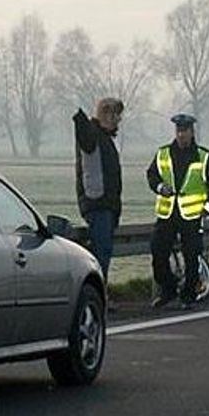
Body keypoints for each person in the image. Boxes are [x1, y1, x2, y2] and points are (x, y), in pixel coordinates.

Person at [146, 113, 209, 308]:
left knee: (191, 256)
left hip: (192, 216)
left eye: (185, 131)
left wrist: (207, 209)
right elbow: (152, 175)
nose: (181, 135)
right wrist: (160, 187)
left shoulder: (204, 157)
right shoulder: (163, 153)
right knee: (158, 251)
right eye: (179, 131)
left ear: (191, 132)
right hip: (167, 214)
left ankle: (189, 295)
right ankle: (168, 289)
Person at [72, 97, 124, 281]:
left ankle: (102, 294)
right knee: (101, 254)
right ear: (106, 114)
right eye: (115, 115)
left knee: (104, 253)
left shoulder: (104, 138)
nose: (118, 120)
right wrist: (79, 120)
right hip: (98, 204)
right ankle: (100, 295)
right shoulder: (92, 134)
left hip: (105, 205)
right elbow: (85, 138)